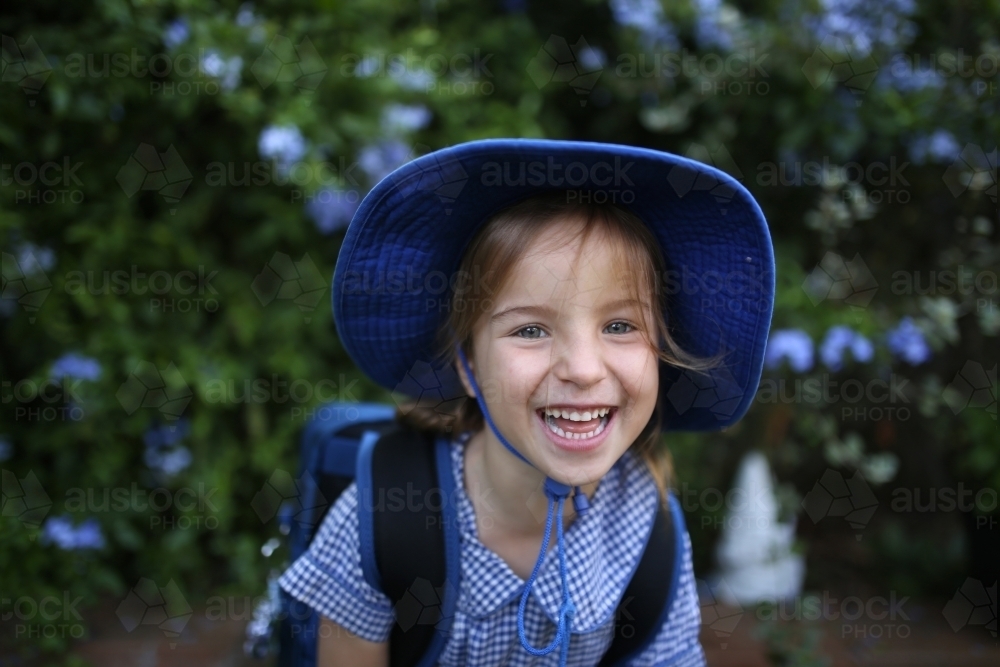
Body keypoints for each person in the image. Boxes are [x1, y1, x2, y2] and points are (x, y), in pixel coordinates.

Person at [279, 138, 775, 666]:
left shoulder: (650, 529)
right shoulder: (381, 518)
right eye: (531, 329)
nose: (583, 369)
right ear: (467, 364)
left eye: (620, 326)